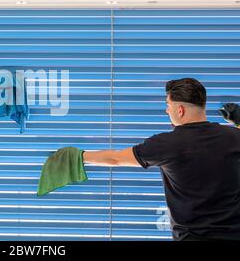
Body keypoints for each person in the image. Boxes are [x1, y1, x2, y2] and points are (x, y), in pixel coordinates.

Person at [80, 78, 240, 241]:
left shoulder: (166, 144)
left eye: (168, 105)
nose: (166, 111)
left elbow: (115, 158)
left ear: (180, 110)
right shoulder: (234, 137)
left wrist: (79, 156)